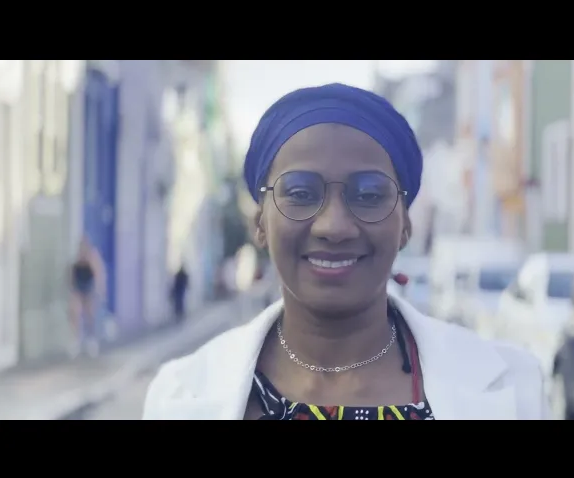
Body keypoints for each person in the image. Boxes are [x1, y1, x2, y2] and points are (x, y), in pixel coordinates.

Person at [142, 83, 550, 420]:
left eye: (369, 194)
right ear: (260, 223)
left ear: (405, 224)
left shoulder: (517, 389)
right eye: (301, 193)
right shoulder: (179, 395)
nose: (334, 227)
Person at [69, 235, 106, 357]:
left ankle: (91, 339)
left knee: (90, 313)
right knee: (75, 312)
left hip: (88, 286)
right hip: (78, 286)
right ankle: (76, 340)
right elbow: (71, 277)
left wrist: (100, 291)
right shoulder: (76, 260)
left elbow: (99, 275)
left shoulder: (93, 259)